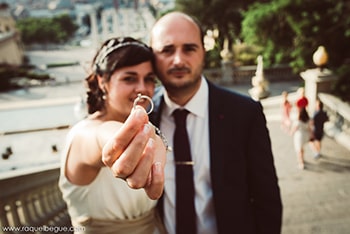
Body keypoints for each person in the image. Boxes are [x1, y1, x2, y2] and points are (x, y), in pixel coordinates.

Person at [149, 12, 282, 234]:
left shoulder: (244, 113)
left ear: (204, 52)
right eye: (167, 50)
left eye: (189, 48)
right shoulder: (145, 116)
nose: (179, 60)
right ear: (152, 56)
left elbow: (266, 198)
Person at [59, 37, 167, 234]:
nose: (142, 88)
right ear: (103, 82)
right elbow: (102, 136)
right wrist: (124, 142)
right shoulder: (83, 133)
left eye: (149, 79)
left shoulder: (151, 126)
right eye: (129, 78)